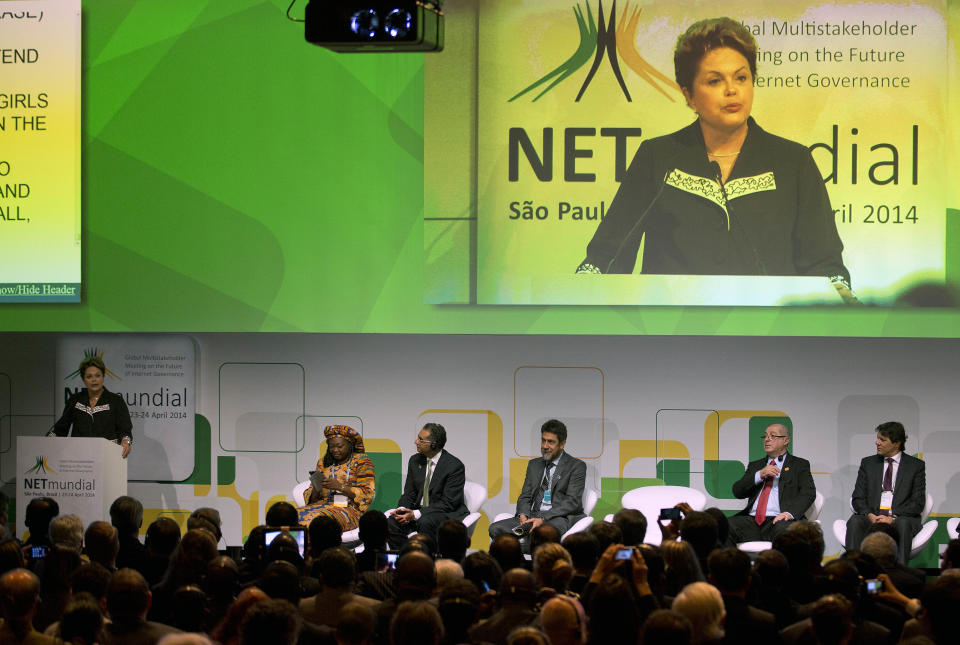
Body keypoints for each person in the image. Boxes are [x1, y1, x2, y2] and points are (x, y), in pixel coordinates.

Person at [575, 18, 851, 293]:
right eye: (715, 80)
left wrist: (838, 293)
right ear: (690, 96)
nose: (732, 90)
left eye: (741, 78)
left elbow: (825, 265)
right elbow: (607, 256)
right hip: (670, 331)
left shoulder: (793, 162)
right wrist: (585, 288)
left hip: (770, 330)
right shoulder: (658, 158)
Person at [488, 419, 587, 540]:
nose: (545, 446)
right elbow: (525, 495)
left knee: (542, 533)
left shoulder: (576, 466)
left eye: (550, 442)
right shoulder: (534, 465)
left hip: (558, 517)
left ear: (562, 444)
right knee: (495, 529)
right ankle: (519, 559)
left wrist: (543, 519)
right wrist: (523, 514)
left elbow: (572, 502)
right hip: (532, 515)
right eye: (543, 440)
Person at [845, 421, 926, 564]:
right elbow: (858, 497)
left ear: (897, 443)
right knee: (855, 521)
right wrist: (869, 514)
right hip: (873, 516)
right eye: (878, 438)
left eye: (882, 440)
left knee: (903, 523)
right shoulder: (868, 463)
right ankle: (853, 571)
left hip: (899, 518)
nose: (877, 443)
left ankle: (898, 573)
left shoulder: (915, 466)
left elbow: (917, 502)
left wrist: (893, 518)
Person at [727, 423, 816, 544]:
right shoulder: (756, 465)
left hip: (780, 519)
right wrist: (760, 474)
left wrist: (789, 513)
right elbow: (737, 491)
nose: (767, 439)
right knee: (725, 526)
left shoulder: (799, 465)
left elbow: (808, 493)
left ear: (786, 440)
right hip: (752, 521)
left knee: (786, 531)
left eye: (773, 436)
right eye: (765, 436)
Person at [387, 423, 468, 548]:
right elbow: (409, 493)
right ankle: (404, 558)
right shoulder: (415, 461)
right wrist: (402, 509)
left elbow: (448, 503)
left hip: (444, 513)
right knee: (392, 522)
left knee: (425, 521)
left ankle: (428, 560)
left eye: (420, 439)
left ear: (434, 444)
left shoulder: (454, 466)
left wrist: (416, 514)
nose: (416, 441)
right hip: (419, 511)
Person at [49, 356, 133, 458]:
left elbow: (125, 430)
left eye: (97, 375)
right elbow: (60, 429)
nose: (94, 380)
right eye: (89, 377)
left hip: (108, 456)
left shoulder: (116, 401)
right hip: (79, 456)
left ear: (103, 377)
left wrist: (126, 441)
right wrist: (46, 442)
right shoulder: (75, 400)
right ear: (84, 379)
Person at [298, 425, 376, 532]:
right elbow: (311, 500)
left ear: (350, 445)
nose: (335, 450)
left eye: (339, 446)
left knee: (316, 522)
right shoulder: (323, 462)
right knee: (291, 516)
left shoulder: (362, 461)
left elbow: (367, 494)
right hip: (321, 505)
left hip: (350, 509)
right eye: (331, 446)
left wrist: (340, 487)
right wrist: (317, 487)